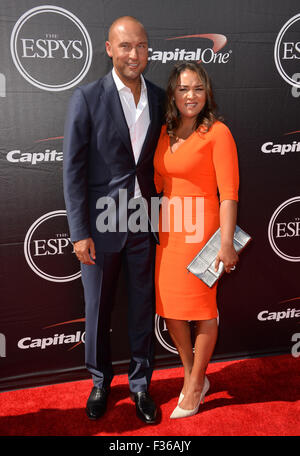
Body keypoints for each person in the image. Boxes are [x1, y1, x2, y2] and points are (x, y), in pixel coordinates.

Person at [63, 16, 164, 424]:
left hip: (144, 218)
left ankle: (140, 385)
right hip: (101, 223)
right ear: (109, 49)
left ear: (148, 50)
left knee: (142, 308)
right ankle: (100, 382)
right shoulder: (86, 97)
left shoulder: (158, 97)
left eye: (140, 46)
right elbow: (72, 168)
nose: (134, 54)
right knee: (98, 310)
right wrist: (79, 232)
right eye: (125, 46)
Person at [154, 62, 239, 419]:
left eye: (198, 89)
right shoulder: (165, 132)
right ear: (173, 93)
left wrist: (226, 242)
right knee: (172, 309)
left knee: (203, 310)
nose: (191, 96)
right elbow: (158, 181)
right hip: (169, 233)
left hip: (204, 234)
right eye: (184, 89)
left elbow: (229, 193)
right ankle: (193, 374)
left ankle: (193, 385)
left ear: (207, 94)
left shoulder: (218, 133)